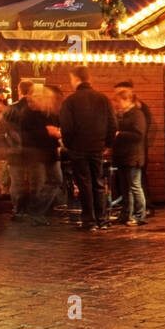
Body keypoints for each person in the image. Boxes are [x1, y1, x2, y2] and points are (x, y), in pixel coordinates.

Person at [58, 67, 116, 230]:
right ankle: (102, 219)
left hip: (78, 148)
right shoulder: (103, 99)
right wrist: (107, 144)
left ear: (76, 79)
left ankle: (89, 220)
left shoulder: (70, 101)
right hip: (97, 147)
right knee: (98, 182)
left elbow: (66, 127)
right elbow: (113, 123)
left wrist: (69, 145)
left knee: (84, 184)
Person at [22, 85, 64, 226]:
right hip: (37, 154)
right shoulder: (28, 114)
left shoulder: (49, 112)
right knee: (40, 183)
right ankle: (35, 212)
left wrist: (55, 133)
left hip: (50, 152)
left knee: (55, 181)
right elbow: (27, 136)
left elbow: (56, 127)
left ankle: (37, 211)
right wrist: (48, 132)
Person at [114, 81, 153, 219]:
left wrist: (119, 134)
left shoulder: (136, 114)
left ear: (126, 100)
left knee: (135, 187)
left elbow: (139, 134)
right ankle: (128, 215)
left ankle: (139, 215)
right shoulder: (126, 114)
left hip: (133, 156)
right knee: (127, 188)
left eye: (118, 101)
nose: (116, 104)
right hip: (126, 156)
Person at [0, 81, 34, 220]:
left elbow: (0, 126)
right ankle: (32, 209)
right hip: (33, 150)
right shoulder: (35, 108)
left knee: (17, 182)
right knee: (33, 181)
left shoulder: (11, 109)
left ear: (19, 90)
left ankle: (19, 210)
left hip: (14, 150)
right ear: (31, 91)